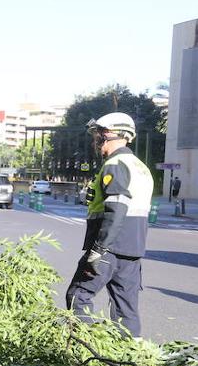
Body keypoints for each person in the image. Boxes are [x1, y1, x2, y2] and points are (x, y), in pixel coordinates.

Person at [65, 112, 154, 337]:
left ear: (109, 134)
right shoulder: (140, 167)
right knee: (126, 310)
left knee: (78, 296)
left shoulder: (115, 164)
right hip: (132, 249)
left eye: (98, 134)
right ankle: (129, 358)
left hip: (109, 248)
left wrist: (99, 249)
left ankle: (88, 351)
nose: (96, 140)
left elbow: (117, 207)